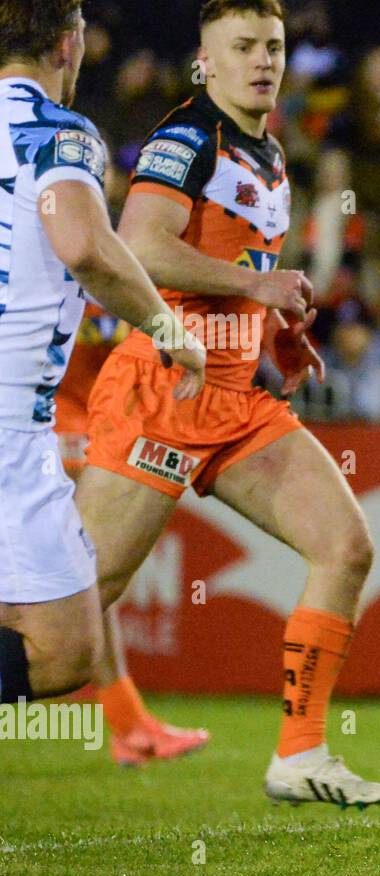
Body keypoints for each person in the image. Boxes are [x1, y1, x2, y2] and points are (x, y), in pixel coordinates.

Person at [72, 0, 380, 808]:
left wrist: (272, 335)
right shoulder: (189, 137)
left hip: (234, 397)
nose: (263, 60)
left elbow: (228, 273)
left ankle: (300, 753)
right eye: (243, 46)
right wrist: (258, 284)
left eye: (275, 46)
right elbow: (138, 243)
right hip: (161, 386)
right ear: (205, 62)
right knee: (66, 624)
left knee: (345, 545)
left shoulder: (270, 154)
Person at [0, 0, 205, 705]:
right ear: (68, 43)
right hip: (10, 430)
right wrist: (167, 327)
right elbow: (85, 244)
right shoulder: (58, 134)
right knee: (64, 649)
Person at [58, 303, 210, 764]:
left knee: (85, 573)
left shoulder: (117, 273)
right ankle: (129, 725)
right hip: (55, 423)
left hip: (97, 420)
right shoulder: (84, 265)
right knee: (77, 575)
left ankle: (129, 726)